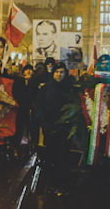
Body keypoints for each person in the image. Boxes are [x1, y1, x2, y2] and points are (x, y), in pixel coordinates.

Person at [34, 62, 80, 192]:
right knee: (51, 155)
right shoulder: (46, 89)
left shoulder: (69, 88)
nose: (59, 75)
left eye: (62, 72)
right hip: (50, 127)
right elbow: (39, 107)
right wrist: (45, 124)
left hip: (64, 128)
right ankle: (51, 182)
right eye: (57, 72)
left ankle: (62, 182)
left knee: (63, 156)